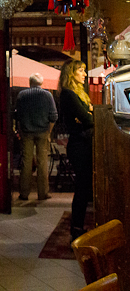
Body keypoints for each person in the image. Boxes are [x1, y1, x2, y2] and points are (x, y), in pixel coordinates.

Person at [58, 59, 94, 242]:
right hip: (79, 145)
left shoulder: (77, 93)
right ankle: (76, 229)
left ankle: (78, 227)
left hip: (82, 143)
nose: (85, 74)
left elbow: (87, 117)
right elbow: (86, 119)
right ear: (71, 73)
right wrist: (89, 114)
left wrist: (88, 114)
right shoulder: (68, 94)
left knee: (84, 188)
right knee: (82, 188)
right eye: (81, 70)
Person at [15, 73, 58, 201]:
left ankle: (24, 193)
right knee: (42, 161)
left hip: (27, 132)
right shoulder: (47, 95)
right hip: (43, 131)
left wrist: (20, 129)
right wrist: (49, 130)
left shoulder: (22, 95)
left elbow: (17, 115)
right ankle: (43, 192)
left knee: (26, 162)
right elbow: (54, 116)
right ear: (41, 83)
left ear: (30, 83)